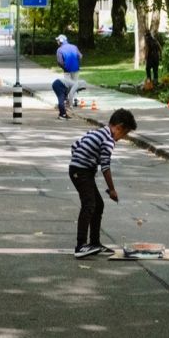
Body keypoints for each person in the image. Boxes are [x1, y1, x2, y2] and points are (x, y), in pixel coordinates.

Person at [69, 109, 138, 259]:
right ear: (118, 127)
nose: (121, 138)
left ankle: (94, 243)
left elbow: (75, 146)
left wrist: (82, 159)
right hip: (81, 172)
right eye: (124, 134)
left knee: (98, 205)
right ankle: (80, 246)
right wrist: (112, 189)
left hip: (78, 169)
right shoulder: (108, 141)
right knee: (89, 204)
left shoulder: (96, 132)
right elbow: (105, 166)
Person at [55, 34, 83, 105]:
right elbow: (80, 56)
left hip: (67, 70)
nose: (57, 42)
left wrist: (64, 67)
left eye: (58, 40)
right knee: (75, 83)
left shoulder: (60, 50)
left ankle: (68, 100)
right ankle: (75, 99)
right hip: (76, 69)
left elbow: (59, 62)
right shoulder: (74, 47)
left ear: (61, 41)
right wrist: (77, 63)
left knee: (68, 84)